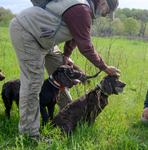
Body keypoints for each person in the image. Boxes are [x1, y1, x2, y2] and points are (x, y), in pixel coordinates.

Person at [9, 0, 120, 144]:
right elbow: (85, 46)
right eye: (107, 12)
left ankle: (68, 117)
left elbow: (75, 34)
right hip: (27, 32)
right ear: (102, 3)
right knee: (33, 82)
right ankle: (30, 134)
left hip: (45, 39)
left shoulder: (83, 10)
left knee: (64, 72)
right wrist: (105, 68)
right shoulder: (82, 9)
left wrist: (66, 55)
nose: (105, 15)